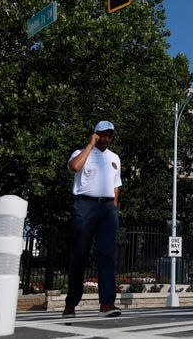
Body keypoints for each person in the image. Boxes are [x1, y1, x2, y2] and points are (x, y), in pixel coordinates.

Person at [62, 120, 122, 318]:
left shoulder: (114, 158)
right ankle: (71, 304)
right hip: (85, 205)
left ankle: (107, 303)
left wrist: (113, 206)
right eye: (102, 134)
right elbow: (74, 167)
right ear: (95, 134)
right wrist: (89, 145)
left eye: (109, 135)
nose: (106, 138)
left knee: (107, 254)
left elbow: (116, 186)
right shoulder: (81, 153)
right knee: (80, 254)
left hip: (107, 209)